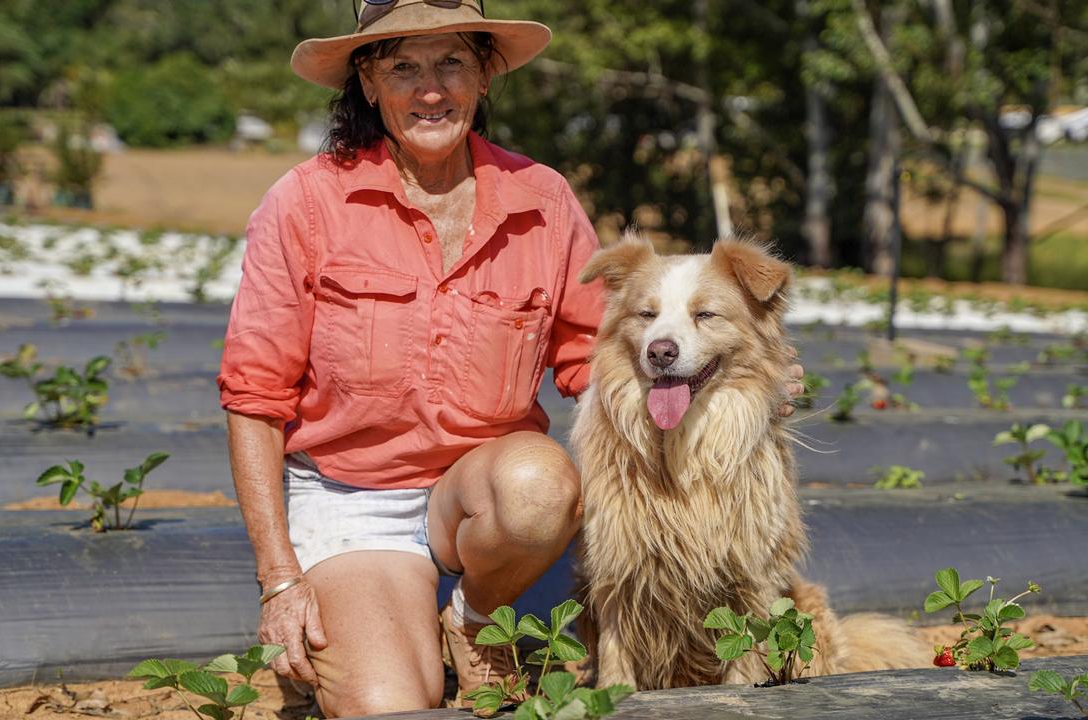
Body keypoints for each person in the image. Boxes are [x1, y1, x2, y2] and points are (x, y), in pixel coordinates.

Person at [217, 2, 804, 716]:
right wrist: (280, 579)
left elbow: (602, 355)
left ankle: (475, 619)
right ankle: (405, 616)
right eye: (403, 66)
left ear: (485, 77)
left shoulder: (543, 200)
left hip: (491, 499)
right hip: (357, 503)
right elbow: (254, 397)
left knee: (540, 483)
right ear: (368, 84)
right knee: (391, 706)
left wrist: (739, 375)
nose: (430, 89)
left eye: (452, 63)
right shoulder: (305, 203)